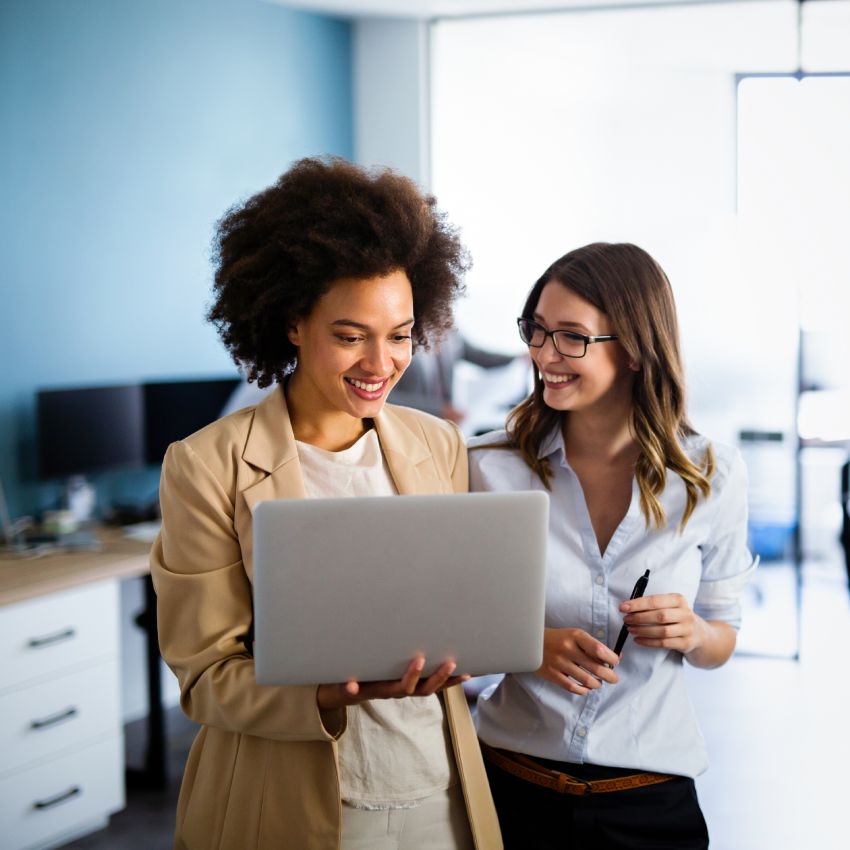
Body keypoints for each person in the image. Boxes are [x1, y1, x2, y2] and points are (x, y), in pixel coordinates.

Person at [150, 157, 502, 850]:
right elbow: (205, 678)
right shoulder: (206, 465)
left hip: (438, 788)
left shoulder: (439, 445)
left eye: (400, 334)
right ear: (292, 323)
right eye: (350, 336)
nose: (381, 363)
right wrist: (326, 694)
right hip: (300, 798)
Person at [468, 242, 757, 850]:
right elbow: (437, 621)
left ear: (634, 348)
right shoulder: (485, 467)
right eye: (537, 331)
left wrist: (693, 634)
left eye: (572, 337)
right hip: (508, 791)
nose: (545, 355)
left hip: (651, 801)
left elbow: (722, 636)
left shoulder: (711, 476)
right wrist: (527, 646)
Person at [391, 329, 517, 425]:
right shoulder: (396, 335)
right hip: (408, 425)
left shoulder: (447, 327)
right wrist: (438, 410)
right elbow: (388, 398)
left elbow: (479, 356)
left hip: (443, 427)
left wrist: (517, 359)